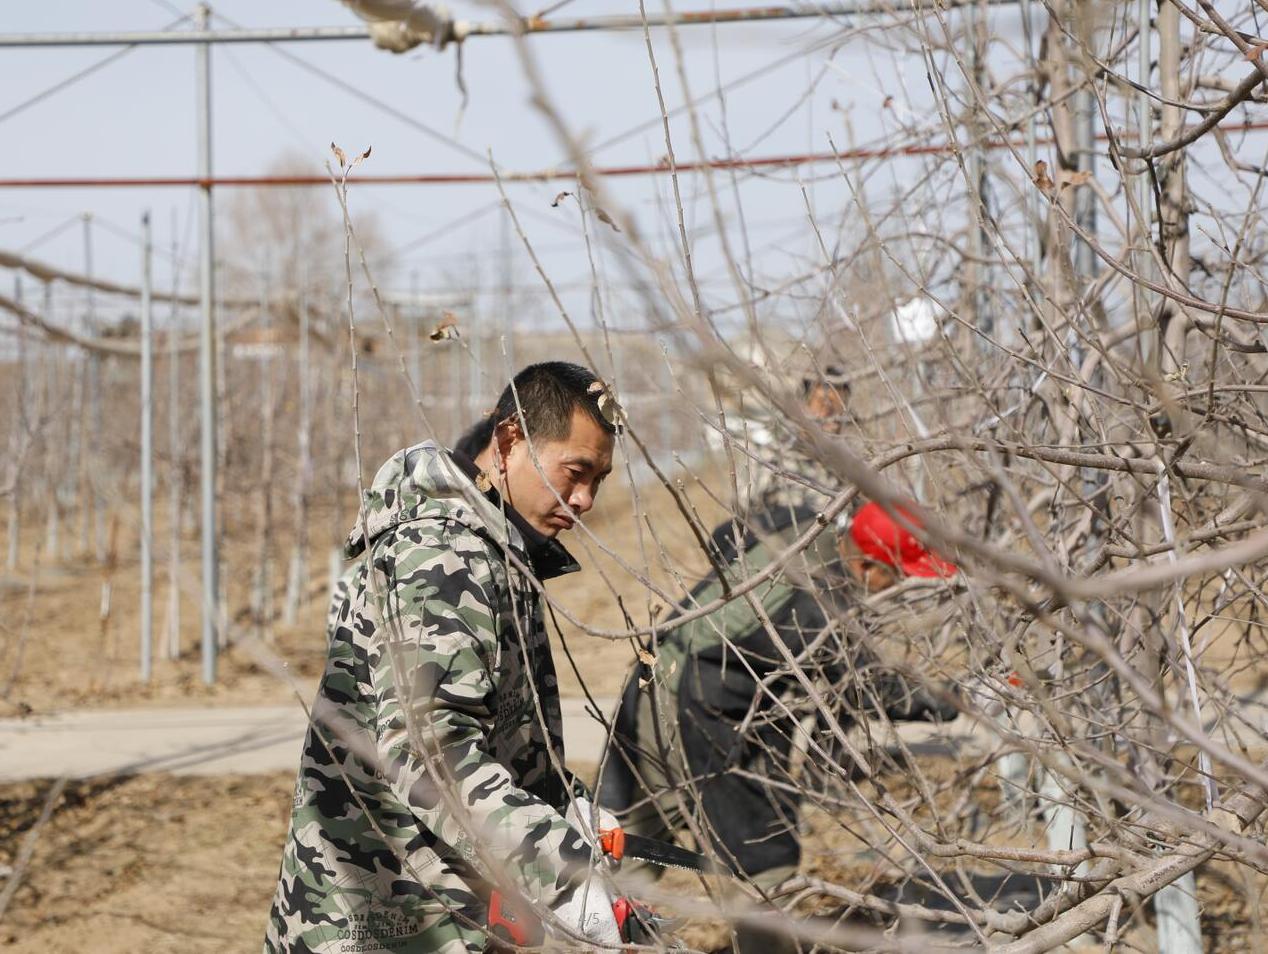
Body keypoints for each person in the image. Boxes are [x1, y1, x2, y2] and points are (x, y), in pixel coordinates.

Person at [266, 361, 622, 954]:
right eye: (575, 472)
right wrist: (561, 868)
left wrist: (567, 813)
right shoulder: (442, 555)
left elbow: (499, 733)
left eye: (599, 480)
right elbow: (431, 755)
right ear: (510, 441)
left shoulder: (497, 549)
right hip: (381, 920)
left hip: (441, 909)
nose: (584, 499)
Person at [597, 499, 958, 950]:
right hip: (694, 700)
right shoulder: (820, 604)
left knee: (636, 833)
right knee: (760, 856)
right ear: (868, 564)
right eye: (898, 575)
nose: (899, 586)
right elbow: (867, 687)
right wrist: (950, 701)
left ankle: (594, 930)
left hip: (659, 671)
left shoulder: (803, 527)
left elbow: (728, 531)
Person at [742, 364, 853, 520]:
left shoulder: (850, 462)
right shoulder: (772, 455)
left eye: (839, 407)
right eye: (824, 404)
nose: (832, 414)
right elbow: (744, 509)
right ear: (803, 407)